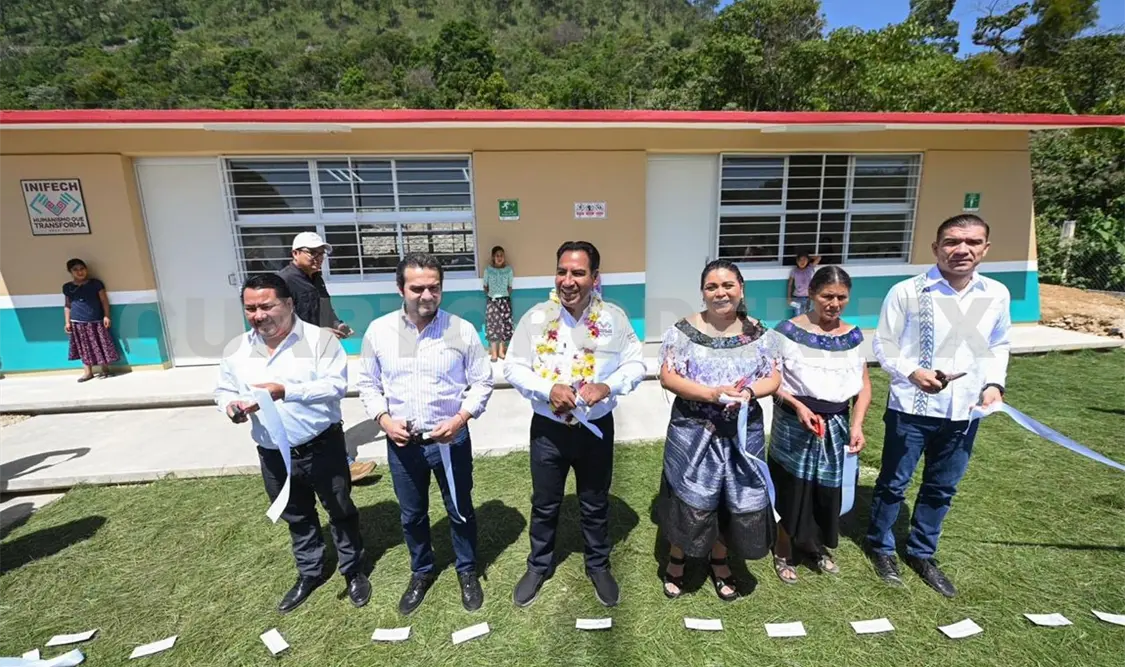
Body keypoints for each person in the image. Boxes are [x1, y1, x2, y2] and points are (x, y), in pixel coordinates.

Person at [865, 213, 1010, 598]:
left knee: (941, 487)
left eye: (972, 242)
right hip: (911, 408)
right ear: (936, 247)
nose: (961, 249)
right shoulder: (908, 291)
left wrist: (995, 383)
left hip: (964, 413)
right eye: (951, 242)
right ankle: (880, 546)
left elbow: (998, 344)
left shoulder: (996, 295)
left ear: (985, 249)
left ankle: (922, 553)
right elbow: (884, 343)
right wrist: (912, 372)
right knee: (894, 483)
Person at [214, 273, 370, 614]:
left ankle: (353, 569)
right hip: (273, 453)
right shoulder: (237, 349)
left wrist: (285, 391)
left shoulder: (320, 341)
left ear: (288, 304)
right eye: (250, 308)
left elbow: (335, 387)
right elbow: (223, 389)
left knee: (340, 509)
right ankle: (310, 571)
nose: (258, 315)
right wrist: (229, 406)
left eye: (266, 306)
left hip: (321, 445)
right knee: (296, 515)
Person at [504, 241, 645, 608]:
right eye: (562, 271)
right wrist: (547, 388)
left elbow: (635, 364)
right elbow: (513, 366)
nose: (568, 280)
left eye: (578, 273)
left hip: (595, 429)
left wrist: (607, 385)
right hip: (549, 431)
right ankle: (538, 565)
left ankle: (597, 565)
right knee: (545, 502)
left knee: (595, 502)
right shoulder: (536, 318)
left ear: (594, 278)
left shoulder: (614, 319)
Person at [357, 252, 494, 615]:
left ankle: (467, 570)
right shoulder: (380, 332)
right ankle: (421, 571)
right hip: (403, 444)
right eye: (417, 288)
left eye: (434, 287)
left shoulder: (460, 331)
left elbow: (482, 382)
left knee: (460, 508)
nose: (426, 295)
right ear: (400, 288)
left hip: (450, 441)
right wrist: (384, 420)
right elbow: (368, 384)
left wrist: (461, 418)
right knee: (412, 514)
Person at [656, 260, 781, 602]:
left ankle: (720, 559)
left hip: (741, 430)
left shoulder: (759, 333)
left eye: (727, 285)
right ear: (702, 292)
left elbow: (773, 377)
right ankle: (678, 558)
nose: (720, 293)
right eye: (712, 287)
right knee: (689, 497)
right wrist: (710, 394)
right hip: (693, 429)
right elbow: (669, 377)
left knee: (732, 498)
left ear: (741, 288)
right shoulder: (683, 331)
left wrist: (750, 393)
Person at [768, 266, 872, 584]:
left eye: (841, 297)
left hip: (836, 423)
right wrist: (798, 407)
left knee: (825, 490)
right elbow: (769, 380)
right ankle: (783, 548)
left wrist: (857, 425)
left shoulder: (854, 335)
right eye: (827, 296)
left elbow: (864, 385)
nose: (834, 303)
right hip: (794, 422)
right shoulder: (786, 332)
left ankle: (814, 545)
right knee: (792, 487)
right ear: (812, 293)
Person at [277, 231, 374, 484]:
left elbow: (324, 309)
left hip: (320, 354)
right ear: (295, 253)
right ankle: (341, 465)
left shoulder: (315, 278)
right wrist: (318, 332)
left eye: (322, 253)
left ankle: (335, 463)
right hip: (298, 357)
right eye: (313, 252)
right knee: (314, 407)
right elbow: (279, 323)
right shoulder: (284, 282)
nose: (319, 258)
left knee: (327, 406)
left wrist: (337, 324)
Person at [63, 258, 119, 382]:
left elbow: (104, 300)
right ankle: (88, 372)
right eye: (75, 270)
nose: (79, 272)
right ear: (70, 272)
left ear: (86, 269)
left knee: (100, 344)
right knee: (84, 347)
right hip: (77, 322)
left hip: (95, 320)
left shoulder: (95, 284)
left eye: (82, 269)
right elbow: (67, 305)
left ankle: (105, 369)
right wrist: (67, 322)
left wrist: (106, 316)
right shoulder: (68, 287)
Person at [482, 245, 514, 362]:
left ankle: (501, 351)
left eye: (501, 255)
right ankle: (494, 353)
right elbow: (485, 286)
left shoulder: (508, 270)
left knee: (504, 326)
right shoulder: (488, 270)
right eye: (497, 256)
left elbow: (510, 286)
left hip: (505, 301)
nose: (499, 258)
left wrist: (504, 296)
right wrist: (492, 295)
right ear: (493, 257)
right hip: (493, 301)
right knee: (493, 326)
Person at [786, 250, 821, 315]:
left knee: (808, 316)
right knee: (797, 316)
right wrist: (789, 297)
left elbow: (818, 258)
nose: (802, 262)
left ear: (808, 260)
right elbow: (790, 285)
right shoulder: (794, 271)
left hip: (809, 298)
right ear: (797, 261)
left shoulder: (810, 268)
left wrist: (808, 257)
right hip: (797, 298)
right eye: (800, 260)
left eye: (804, 260)